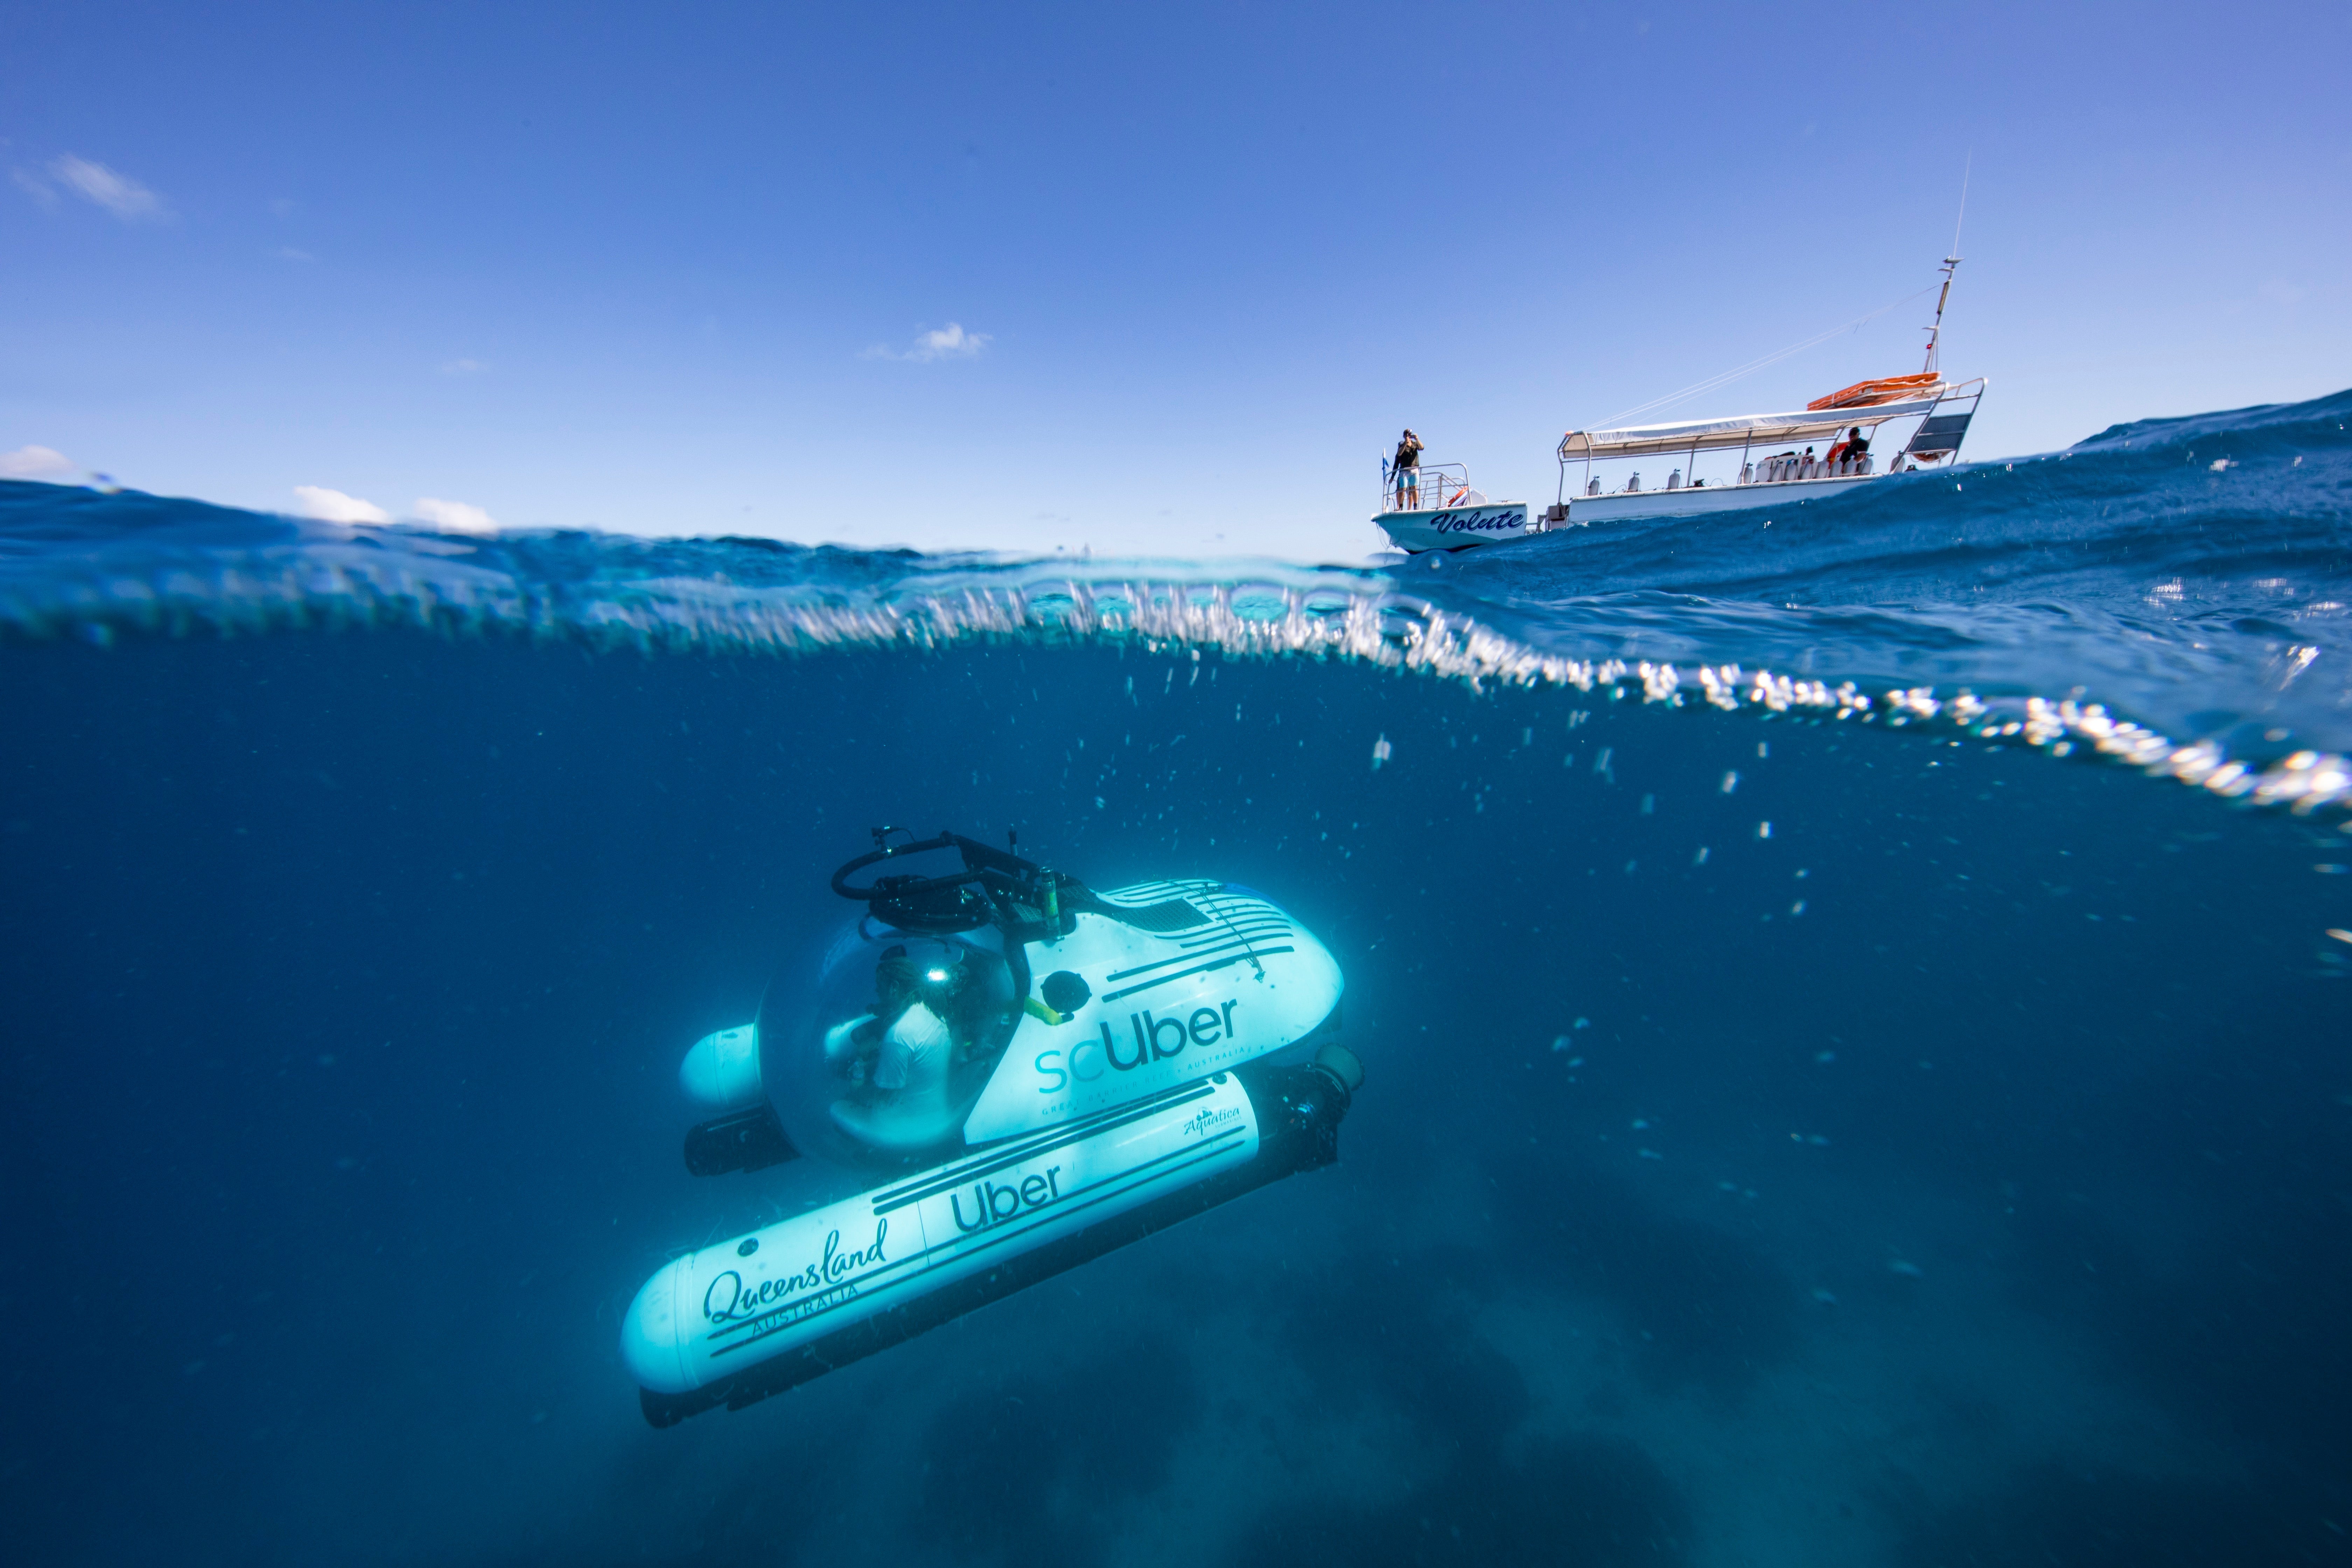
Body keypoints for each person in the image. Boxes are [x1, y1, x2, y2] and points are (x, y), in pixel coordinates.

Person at [1391, 429, 1423, 510]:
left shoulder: (1415, 444)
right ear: (1404, 436)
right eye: (1407, 435)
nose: (1408, 436)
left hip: (1414, 469)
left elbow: (1422, 448)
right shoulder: (1402, 446)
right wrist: (1406, 443)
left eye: (1409, 435)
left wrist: (1417, 439)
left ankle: (1416, 506)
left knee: (1414, 488)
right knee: (1403, 489)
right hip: (1404, 470)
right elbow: (1399, 454)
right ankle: (1401, 507)